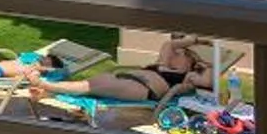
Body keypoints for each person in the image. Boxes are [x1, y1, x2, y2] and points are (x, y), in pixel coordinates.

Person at [80, 35, 209, 103]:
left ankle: (58, 87)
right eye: (178, 52)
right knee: (83, 85)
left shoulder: (188, 76)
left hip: (143, 87)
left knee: (85, 87)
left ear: (193, 63)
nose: (178, 54)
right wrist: (193, 40)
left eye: (185, 55)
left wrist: (207, 63)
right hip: (124, 76)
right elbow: (169, 45)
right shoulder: (161, 64)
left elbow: (209, 81)